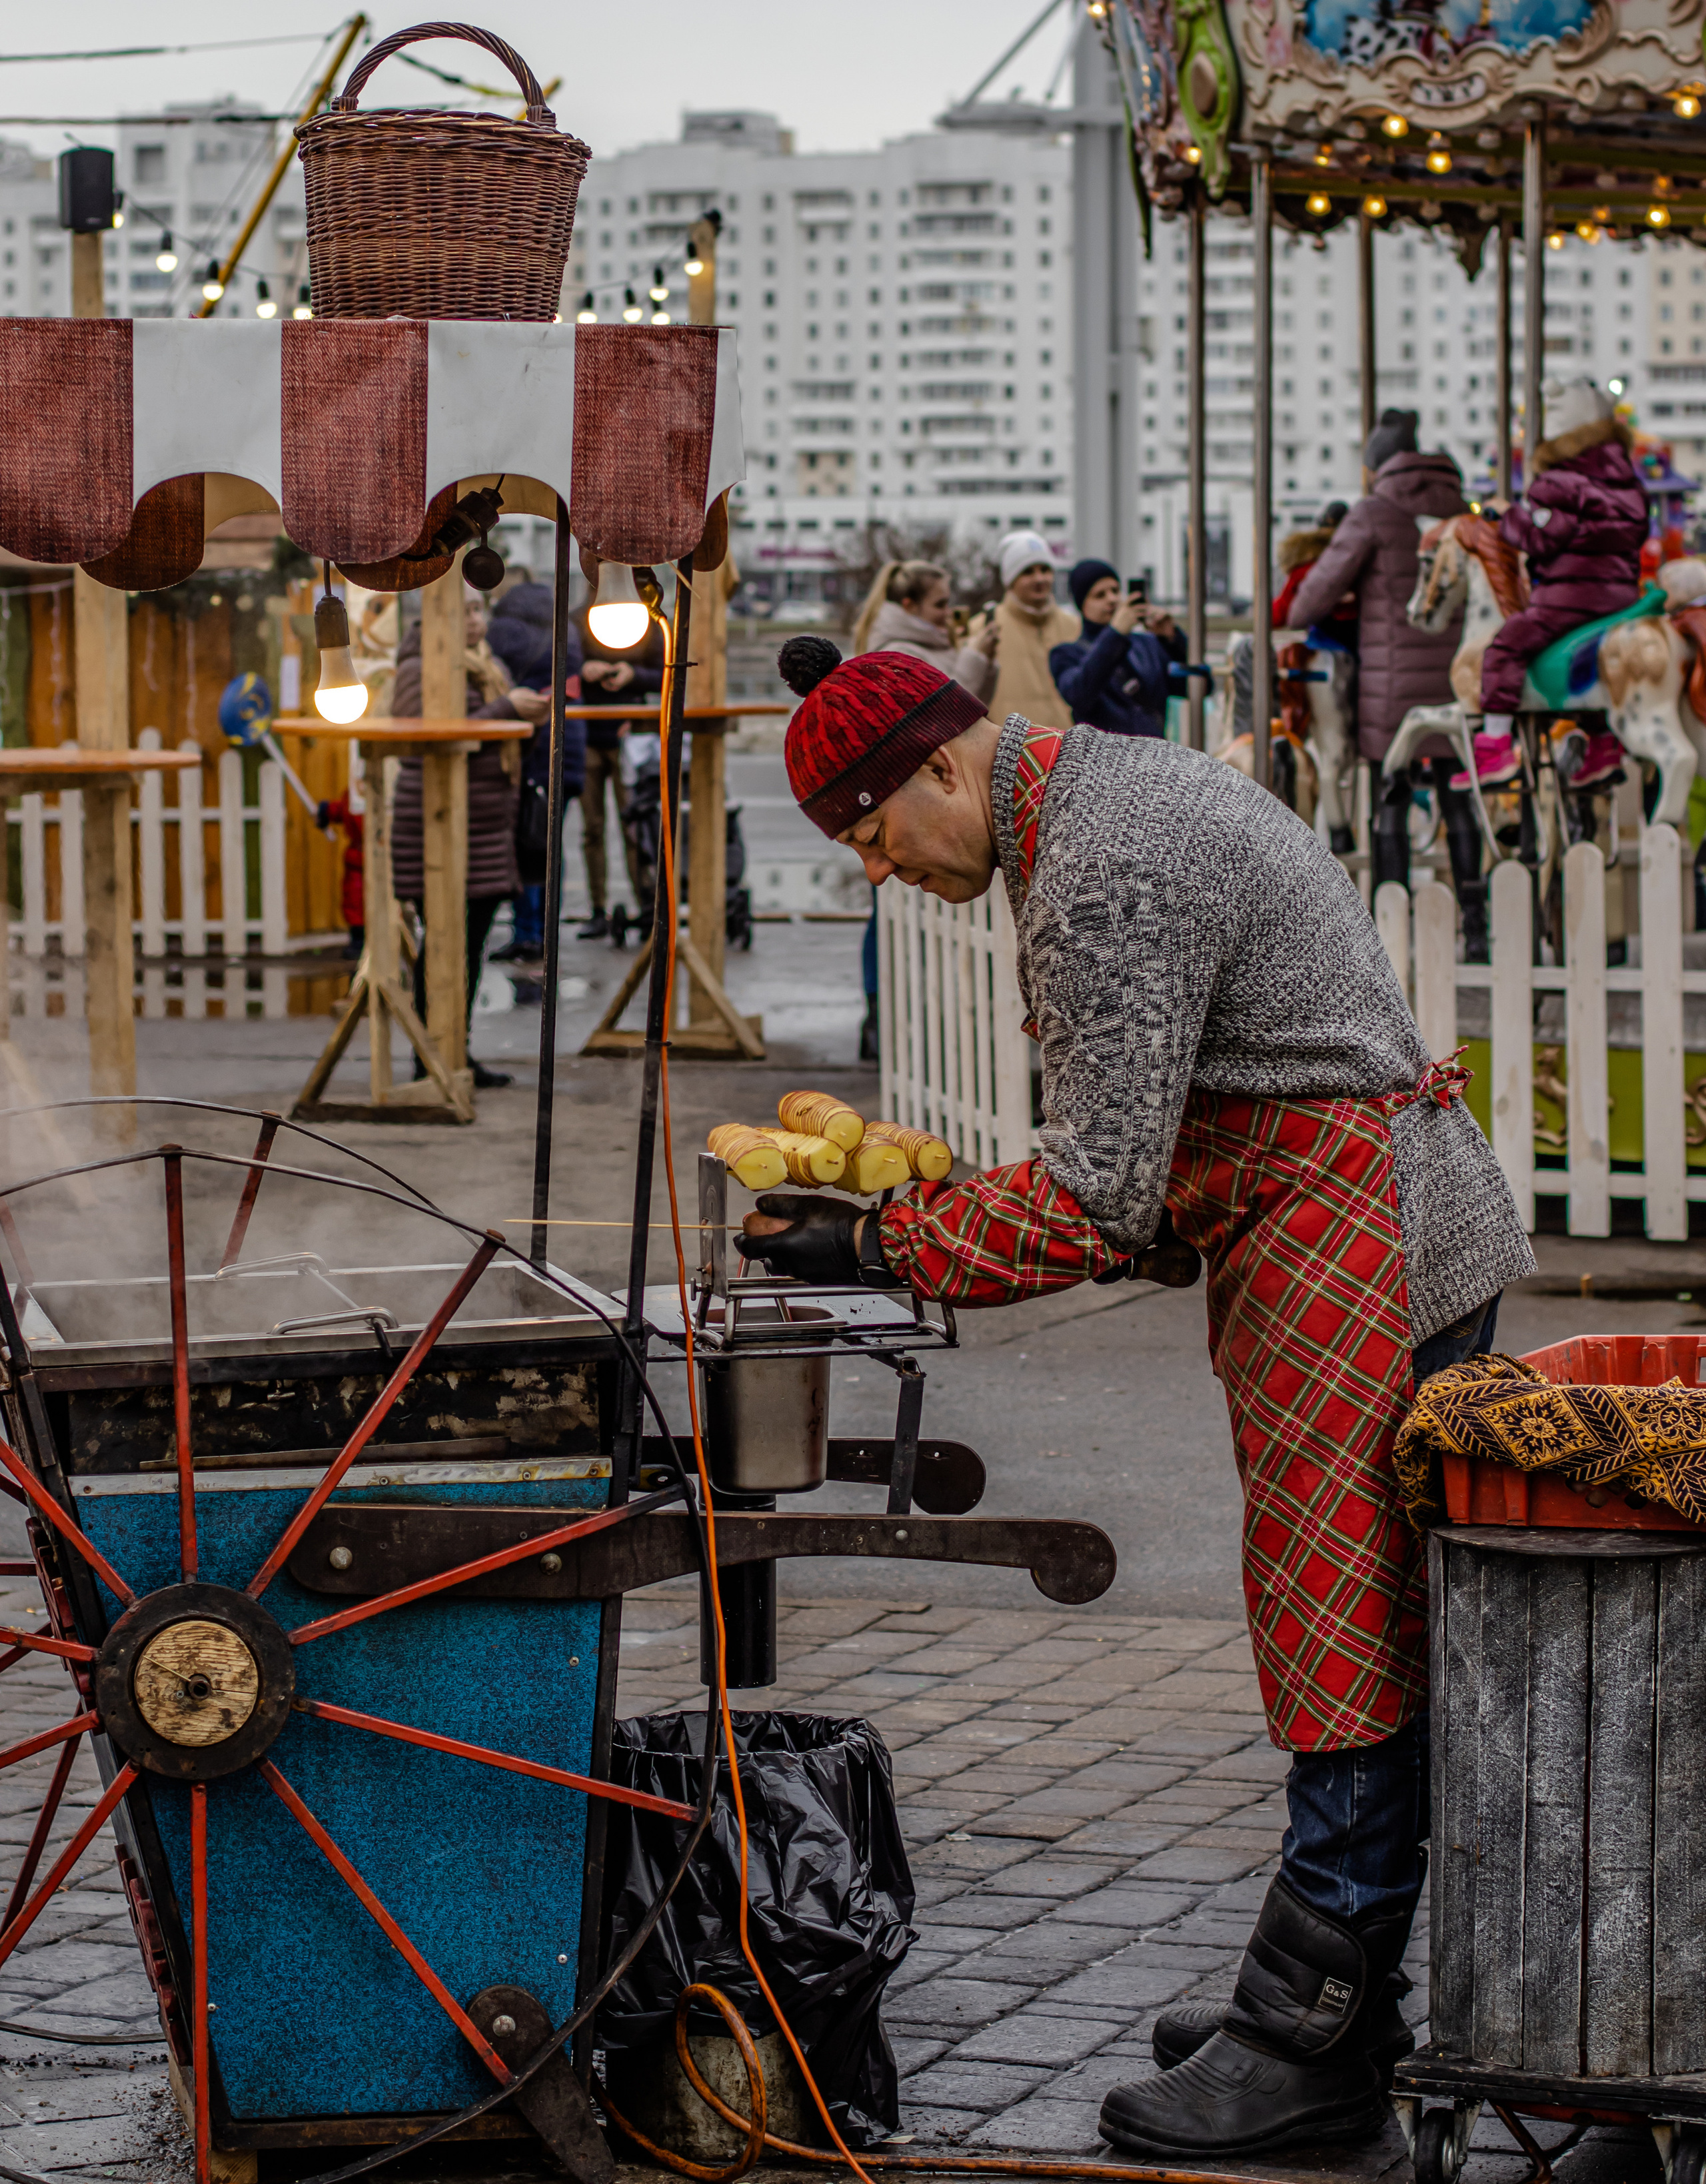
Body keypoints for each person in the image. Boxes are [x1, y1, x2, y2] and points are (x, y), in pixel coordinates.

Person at [739, 634, 1535, 2161]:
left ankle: (1308, 2043)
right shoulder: (1105, 794)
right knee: (1357, 1617)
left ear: (939, 766)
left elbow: (1100, 1196)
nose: (878, 871)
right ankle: (1319, 1987)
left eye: (869, 833)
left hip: (1357, 1231)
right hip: (1369, 1214)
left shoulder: (1099, 870)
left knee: (1347, 1626)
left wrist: (884, 1239)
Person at [1287, 411, 1489, 952]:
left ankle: (1389, 928)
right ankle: (1477, 927)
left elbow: (1312, 600)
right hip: (1455, 682)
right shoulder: (1459, 507)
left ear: (1376, 465)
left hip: (1390, 688)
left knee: (1391, 798)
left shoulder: (1373, 513)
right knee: (1458, 798)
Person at [389, 592, 549, 1090]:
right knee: (440, 948)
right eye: (464, 612)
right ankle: (428, 1060)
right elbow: (422, 739)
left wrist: (526, 716)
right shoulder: (420, 667)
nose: (476, 621)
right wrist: (506, 708)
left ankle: (458, 1052)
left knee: (470, 949)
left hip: (483, 829)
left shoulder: (488, 664)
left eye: (480, 610)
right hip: (435, 828)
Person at [1458, 376, 1649, 790]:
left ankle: (1494, 746)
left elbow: (1540, 538)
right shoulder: (1630, 484)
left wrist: (1504, 515)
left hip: (1569, 600)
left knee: (1505, 648)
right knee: (1593, 667)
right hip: (1619, 599)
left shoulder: (1558, 483)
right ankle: (1602, 745)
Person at [484, 580, 585, 963]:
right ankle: (548, 933)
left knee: (527, 844)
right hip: (570, 744)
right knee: (551, 845)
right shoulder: (567, 632)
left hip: (534, 750)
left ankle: (527, 932)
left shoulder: (506, 632)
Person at [576, 604, 664, 940]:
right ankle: (597, 909)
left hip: (631, 737)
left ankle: (646, 906)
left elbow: (664, 673)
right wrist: (585, 670)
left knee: (635, 825)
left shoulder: (644, 621)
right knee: (592, 829)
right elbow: (563, 666)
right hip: (588, 737)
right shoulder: (578, 618)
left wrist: (632, 674)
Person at [1049, 560, 1187, 738]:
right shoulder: (1066, 654)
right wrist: (1115, 634)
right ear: (1082, 606)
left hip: (1154, 759)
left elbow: (1197, 687)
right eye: (1100, 595)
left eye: (1115, 591)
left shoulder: (1149, 645)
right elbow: (1079, 695)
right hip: (1103, 762)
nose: (1112, 599)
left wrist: (1172, 640)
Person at [851, 558, 999, 702]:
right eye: (940, 605)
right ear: (910, 606)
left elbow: (978, 708)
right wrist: (973, 657)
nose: (948, 613)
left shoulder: (935, 643)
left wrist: (985, 658)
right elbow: (946, 712)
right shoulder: (898, 656)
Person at [973, 530, 1078, 730]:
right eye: (1028, 572)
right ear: (1010, 580)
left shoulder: (1074, 626)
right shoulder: (982, 630)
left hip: (1068, 749)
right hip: (1011, 751)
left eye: (1045, 570)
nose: (1039, 579)